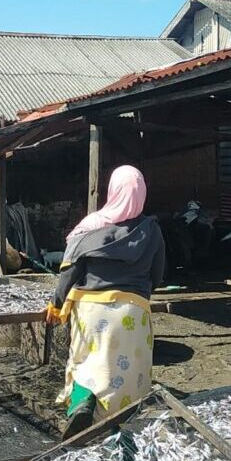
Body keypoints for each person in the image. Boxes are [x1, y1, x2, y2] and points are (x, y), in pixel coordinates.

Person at [46, 165, 166, 438]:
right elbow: (157, 275)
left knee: (85, 364)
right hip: (132, 312)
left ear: (112, 190)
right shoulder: (152, 230)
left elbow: (70, 270)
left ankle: (82, 405)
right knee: (127, 377)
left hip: (91, 311)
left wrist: (55, 303)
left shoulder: (91, 226)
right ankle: (119, 427)